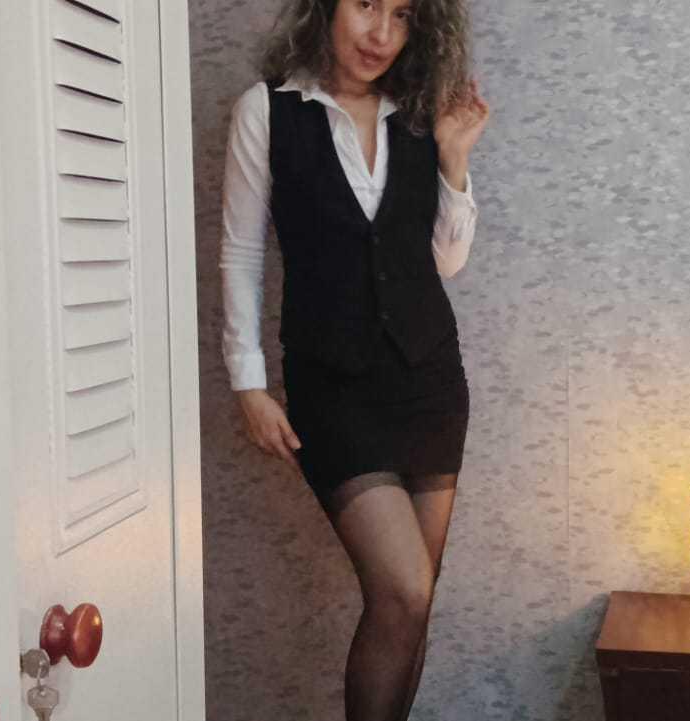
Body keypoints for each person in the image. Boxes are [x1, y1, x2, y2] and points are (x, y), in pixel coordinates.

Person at [217, 0, 490, 719]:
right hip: (333, 388)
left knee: (415, 601)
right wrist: (248, 382)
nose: (381, 34)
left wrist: (454, 161)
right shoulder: (267, 112)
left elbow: (444, 262)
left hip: (429, 383)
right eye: (366, 5)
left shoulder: (419, 116)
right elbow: (241, 252)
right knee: (403, 589)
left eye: (401, 15)